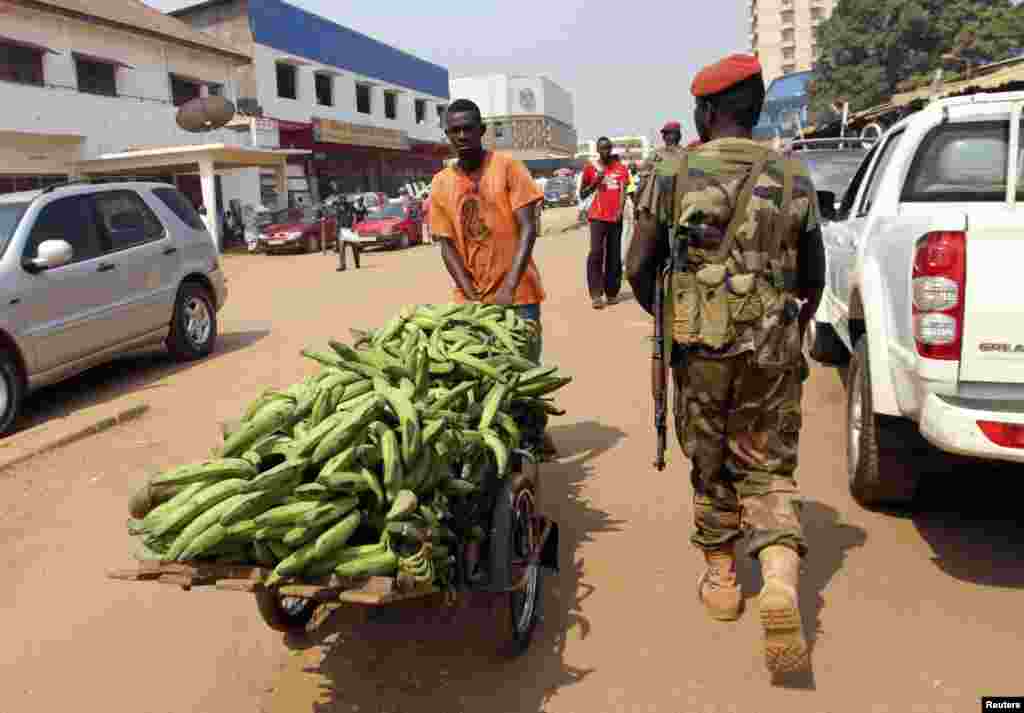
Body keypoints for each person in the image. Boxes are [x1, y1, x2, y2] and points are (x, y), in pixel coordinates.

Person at [625, 54, 825, 675]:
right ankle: (779, 577)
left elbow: (636, 265)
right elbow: (814, 278)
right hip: (773, 346)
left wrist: (673, 313)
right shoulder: (794, 172)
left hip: (701, 348)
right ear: (757, 108)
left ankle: (721, 581)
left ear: (706, 111)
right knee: (767, 465)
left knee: (710, 461)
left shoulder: (673, 171)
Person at [429, 97, 556, 457]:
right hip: (471, 300)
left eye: (469, 127)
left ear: (482, 130)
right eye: (454, 130)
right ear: (446, 135)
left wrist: (508, 288)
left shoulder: (507, 167)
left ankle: (535, 431)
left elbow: (529, 228)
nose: (462, 135)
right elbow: (446, 245)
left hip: (519, 294)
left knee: (525, 370)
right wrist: (470, 293)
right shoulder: (440, 184)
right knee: (481, 374)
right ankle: (502, 440)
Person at [580, 137, 630, 310]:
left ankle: (611, 293)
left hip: (615, 218)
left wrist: (620, 210)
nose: (606, 151)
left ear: (611, 149)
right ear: (598, 150)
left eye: (608, 148)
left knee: (614, 255)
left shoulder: (621, 169)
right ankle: (595, 294)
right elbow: (582, 194)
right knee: (596, 253)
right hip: (596, 217)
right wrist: (596, 181)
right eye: (602, 148)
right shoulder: (590, 169)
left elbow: (623, 190)